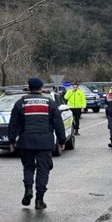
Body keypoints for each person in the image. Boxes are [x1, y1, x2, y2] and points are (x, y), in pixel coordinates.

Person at [7, 77, 66, 210]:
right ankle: (40, 199)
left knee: (28, 168)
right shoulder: (49, 103)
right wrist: (62, 140)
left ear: (29, 87)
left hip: (26, 141)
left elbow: (13, 124)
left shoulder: (20, 103)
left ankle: (28, 190)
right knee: (43, 170)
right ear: (41, 88)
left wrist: (11, 140)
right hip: (45, 143)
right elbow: (58, 123)